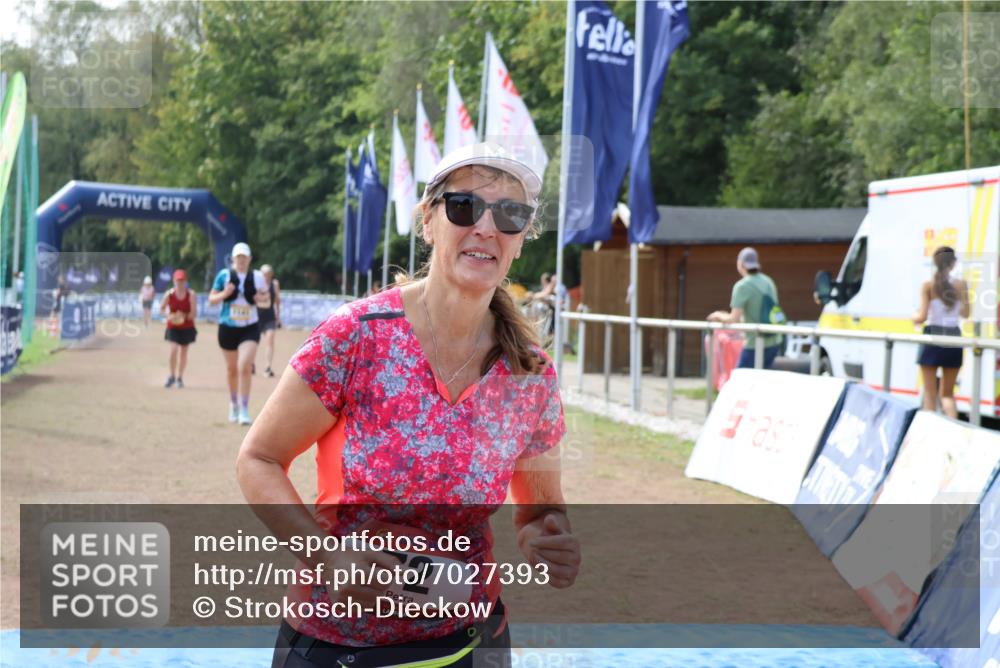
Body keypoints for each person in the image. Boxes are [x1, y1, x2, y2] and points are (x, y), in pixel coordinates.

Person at [236, 142, 580, 668]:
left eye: (510, 214)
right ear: (428, 221)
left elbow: (540, 511)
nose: (487, 228)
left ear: (519, 241)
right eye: (465, 207)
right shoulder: (358, 337)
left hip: (470, 642)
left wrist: (548, 536)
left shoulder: (529, 373)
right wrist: (326, 555)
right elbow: (258, 459)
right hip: (338, 642)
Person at [209, 242, 269, 425]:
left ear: (249, 259)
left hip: (249, 327)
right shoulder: (224, 275)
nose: (241, 260)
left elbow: (266, 301)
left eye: (244, 257)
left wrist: (261, 299)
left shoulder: (258, 277)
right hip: (227, 328)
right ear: (233, 259)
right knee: (232, 369)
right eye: (238, 257)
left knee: (245, 366)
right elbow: (212, 299)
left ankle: (244, 409)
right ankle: (233, 403)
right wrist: (224, 294)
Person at [913, 246, 969, 418]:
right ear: (953, 264)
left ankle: (929, 436)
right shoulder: (961, 285)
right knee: (947, 395)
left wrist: (913, 316)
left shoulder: (928, 285)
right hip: (953, 336)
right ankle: (955, 432)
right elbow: (966, 313)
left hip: (932, 335)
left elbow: (922, 316)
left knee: (930, 394)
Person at [707, 246, 783, 369]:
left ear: (741, 263)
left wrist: (717, 315)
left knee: (740, 380)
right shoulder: (768, 281)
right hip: (774, 340)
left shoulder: (742, 286)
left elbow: (733, 319)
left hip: (754, 342)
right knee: (761, 381)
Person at [160, 269, 198, 388]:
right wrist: (169, 316)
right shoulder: (169, 294)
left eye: (182, 281)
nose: (179, 283)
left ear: (185, 281)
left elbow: (193, 314)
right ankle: (171, 376)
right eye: (177, 280)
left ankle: (179, 377)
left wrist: (183, 316)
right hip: (173, 326)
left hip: (187, 327)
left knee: (183, 352)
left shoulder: (191, 295)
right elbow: (162, 309)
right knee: (174, 349)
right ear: (174, 281)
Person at [257, 264, 282, 378]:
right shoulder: (256, 284)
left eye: (269, 274)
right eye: (264, 274)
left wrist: (278, 315)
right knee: (253, 342)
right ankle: (251, 364)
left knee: (270, 340)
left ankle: (268, 367)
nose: (267, 276)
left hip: (270, 317)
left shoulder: (274, 284)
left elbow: (277, 301)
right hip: (256, 317)